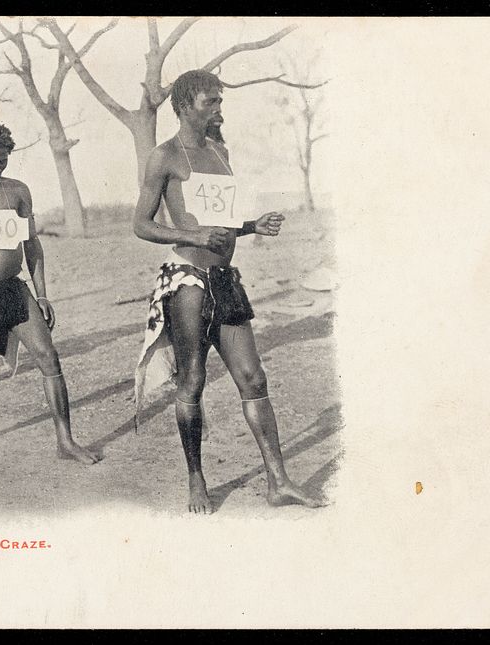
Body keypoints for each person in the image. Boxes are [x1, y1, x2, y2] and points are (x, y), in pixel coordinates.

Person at [132, 70, 326, 513]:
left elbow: (224, 217)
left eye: (220, 101)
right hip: (188, 281)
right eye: (210, 102)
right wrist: (195, 237)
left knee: (254, 378)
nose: (219, 109)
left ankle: (280, 483)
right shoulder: (164, 157)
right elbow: (140, 224)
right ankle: (196, 480)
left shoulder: (220, 152)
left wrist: (254, 225)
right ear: (184, 106)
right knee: (193, 381)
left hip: (226, 281)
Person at [0, 120, 99, 464]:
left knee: (49, 357)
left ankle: (65, 442)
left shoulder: (19, 191)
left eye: (2, 161)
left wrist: (42, 295)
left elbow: (32, 245)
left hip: (14, 287)